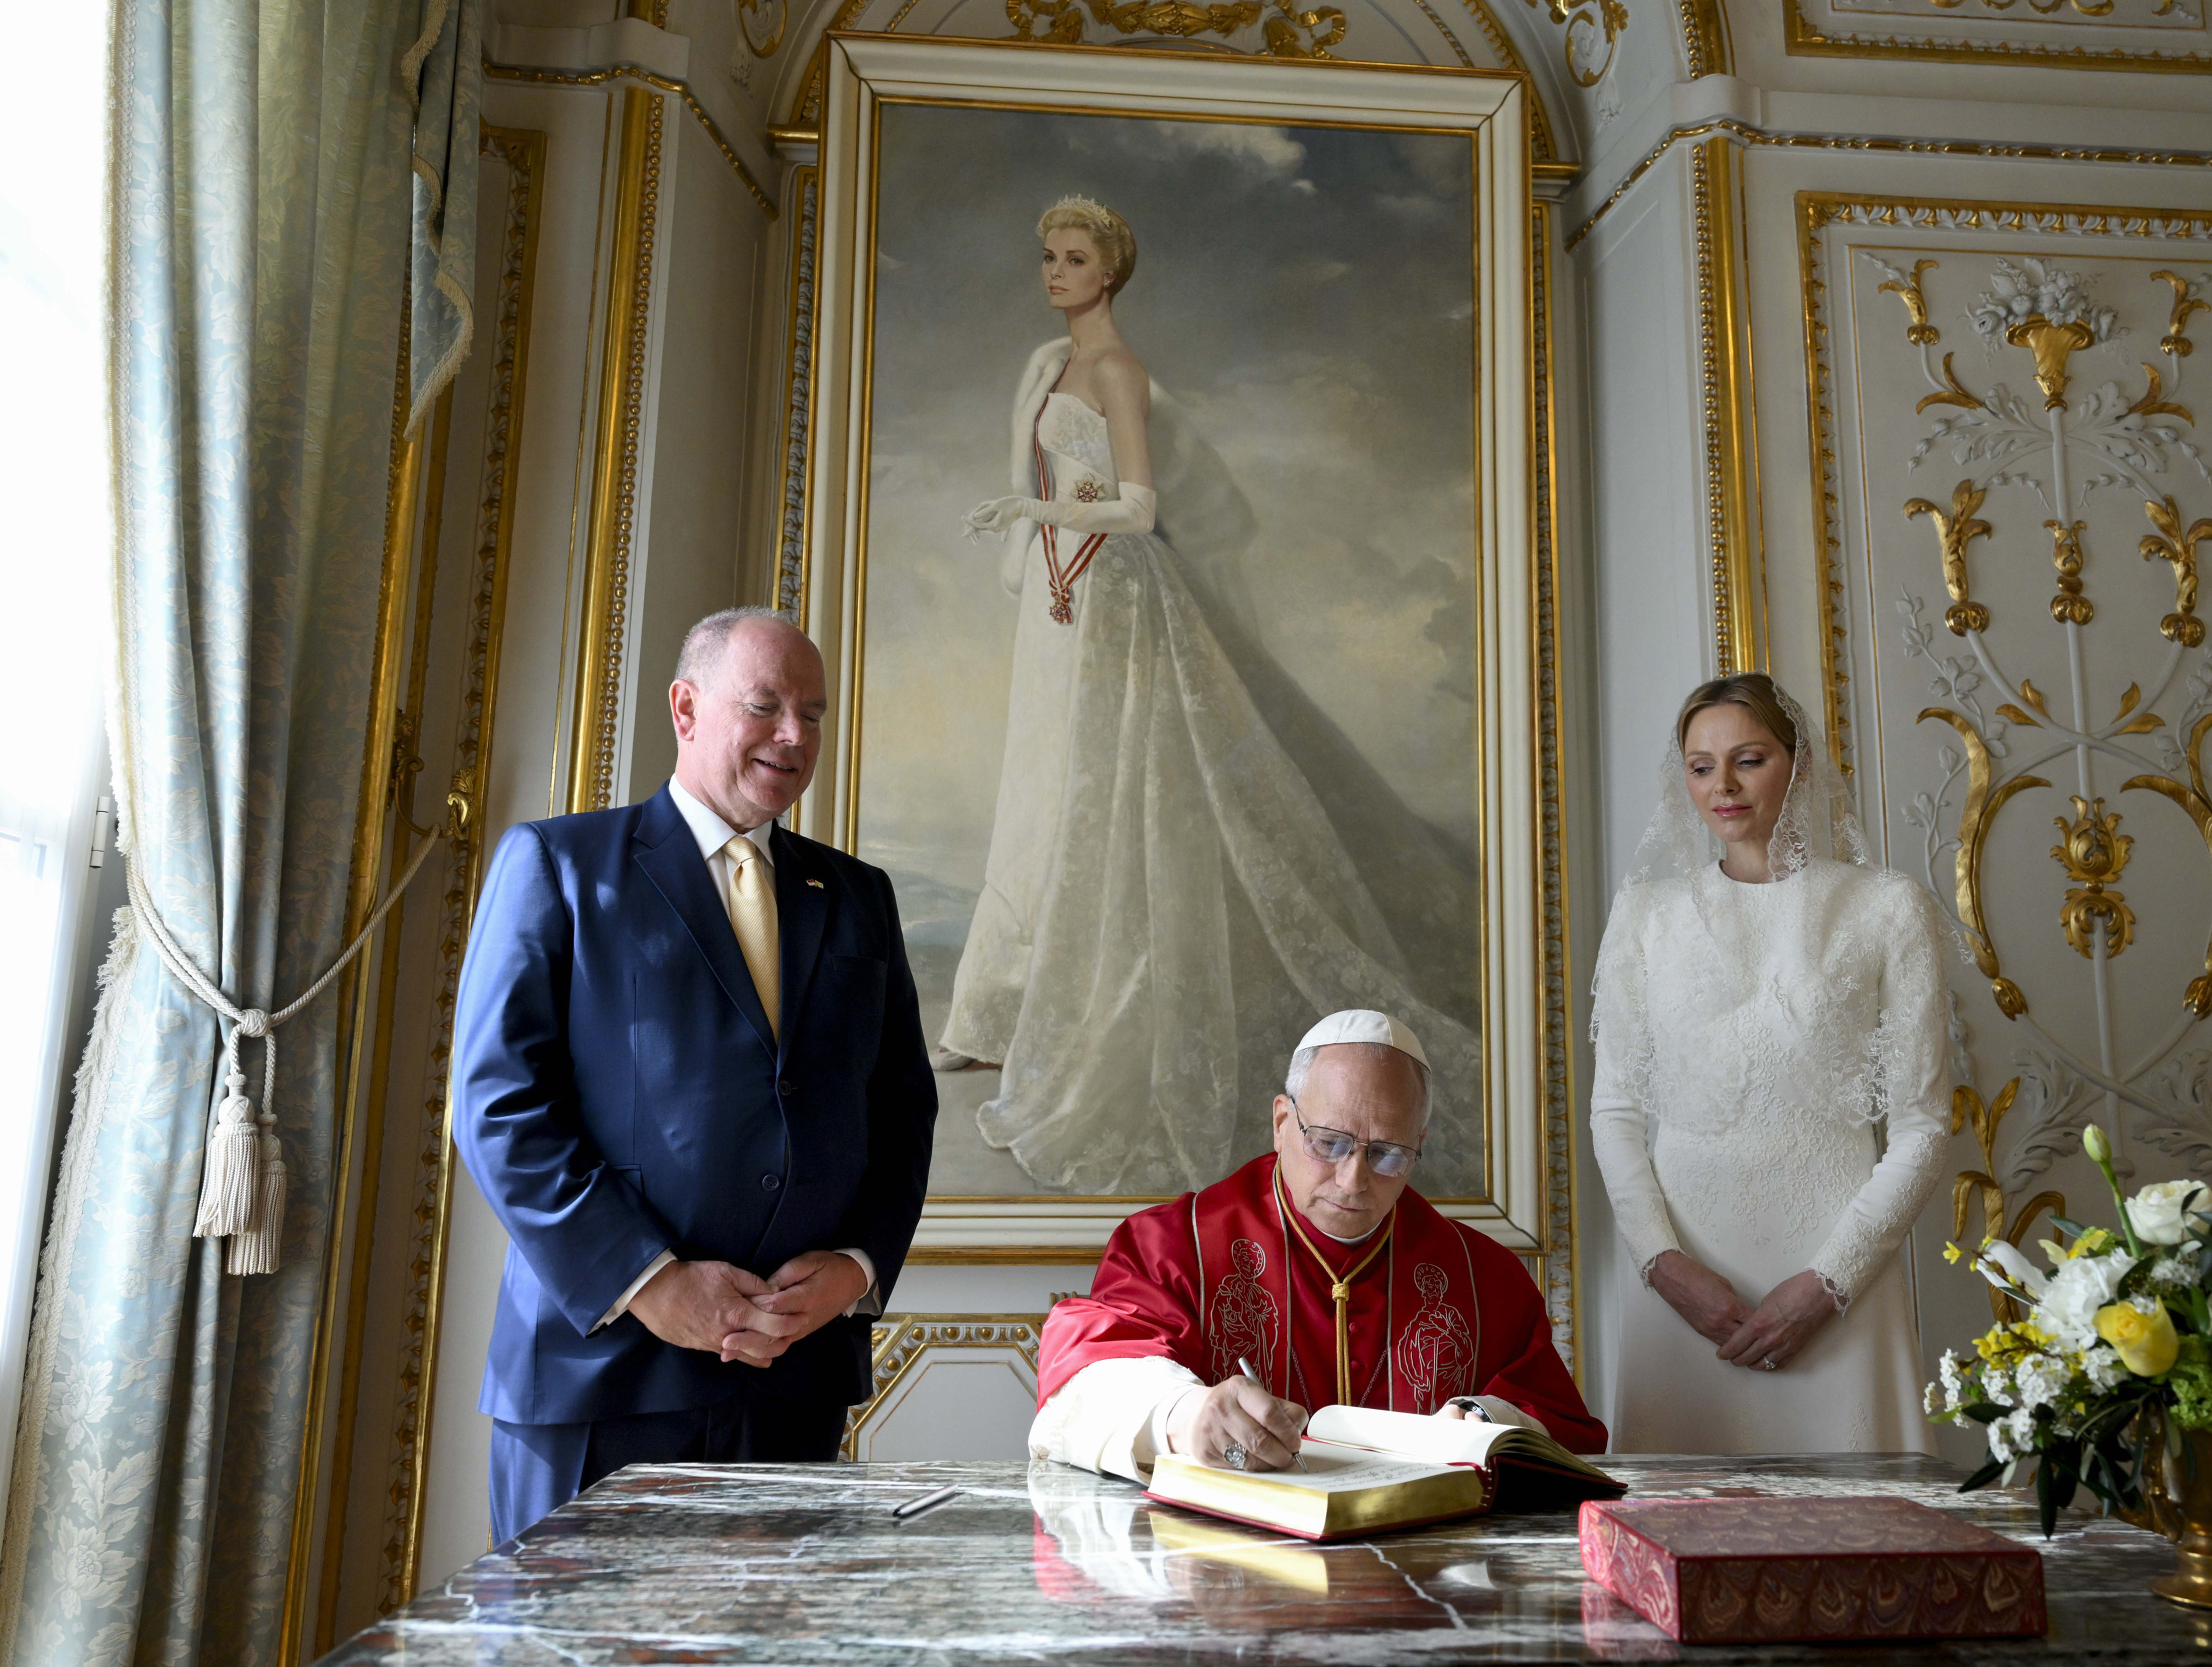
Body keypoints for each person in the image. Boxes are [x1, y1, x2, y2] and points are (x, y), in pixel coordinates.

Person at [942, 194, 1482, 1198]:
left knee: (1110, 799)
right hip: (1059, 606)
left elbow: (1140, 507)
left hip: (1113, 597)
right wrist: (1035, 532)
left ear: (1109, 273)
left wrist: (1033, 507)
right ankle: (1009, 1011)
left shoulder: (1115, 371)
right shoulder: (1048, 365)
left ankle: (1105, 1012)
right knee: (1044, 790)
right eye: (1046, 256)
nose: (1052, 273)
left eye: (1071, 259)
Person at [452, 607, 938, 1542]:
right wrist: (649, 1281)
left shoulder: (858, 896)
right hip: (604, 1379)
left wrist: (855, 1267)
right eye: (766, 705)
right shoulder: (558, 865)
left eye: (814, 711)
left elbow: (902, 1110)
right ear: (686, 706)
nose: (795, 735)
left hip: (791, 1381)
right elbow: (500, 1107)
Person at [1586, 672, 1954, 1453]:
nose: (1721, 784)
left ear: (1800, 765)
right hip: (1681, 1291)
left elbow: (1924, 1126)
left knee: (1860, 1553)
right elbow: (1614, 1111)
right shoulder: (1645, 915)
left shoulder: (1887, 907)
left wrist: (1829, 1282)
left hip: (1840, 1288)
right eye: (1699, 765)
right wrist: (1662, 1262)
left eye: (1748, 759)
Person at [1028, 1009, 1605, 1479]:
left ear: (1418, 1145)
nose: (1353, 1180)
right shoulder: (1174, 1246)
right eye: (1328, 1143)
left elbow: (1559, 1421)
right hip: (1225, 1581)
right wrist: (1183, 1414)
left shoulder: (1486, 1278)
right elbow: (1088, 1366)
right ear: (1282, 1122)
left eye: (1387, 1153)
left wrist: (1483, 1420)